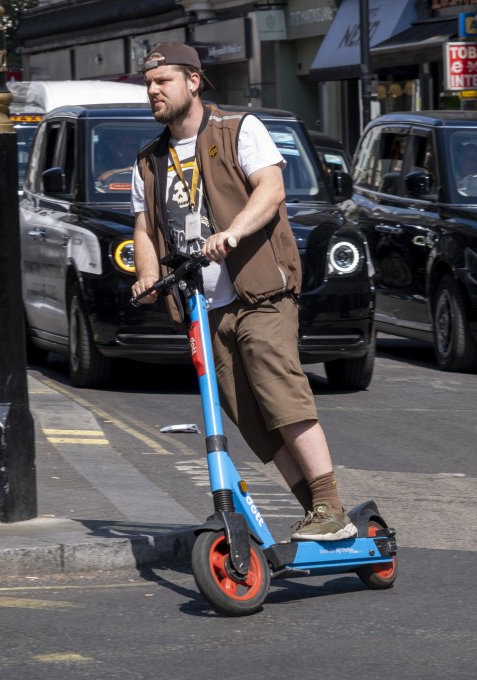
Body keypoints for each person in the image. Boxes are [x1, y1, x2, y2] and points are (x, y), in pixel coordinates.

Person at [130, 42, 357, 542]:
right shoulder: (149, 161)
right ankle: (317, 513)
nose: (153, 91)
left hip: (260, 293)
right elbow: (145, 230)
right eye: (148, 83)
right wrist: (146, 276)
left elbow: (271, 190)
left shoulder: (239, 130)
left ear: (193, 81)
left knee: (280, 393)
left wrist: (232, 233)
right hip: (202, 306)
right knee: (250, 419)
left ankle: (332, 507)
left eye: (162, 80)